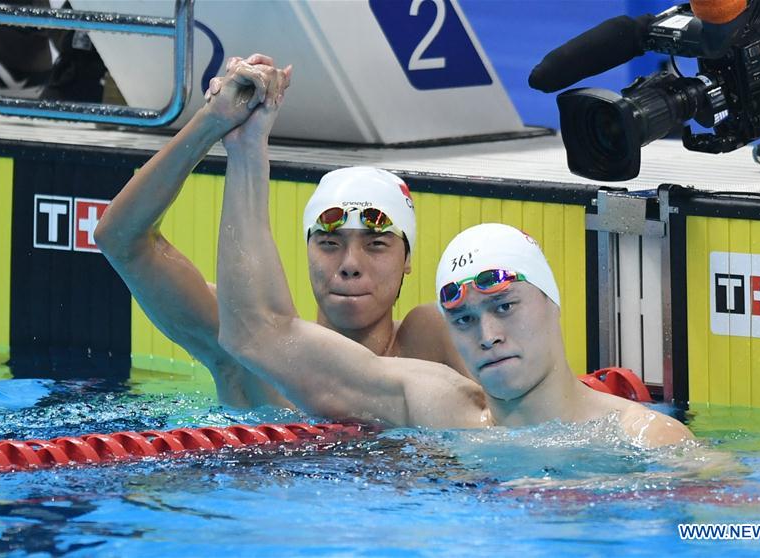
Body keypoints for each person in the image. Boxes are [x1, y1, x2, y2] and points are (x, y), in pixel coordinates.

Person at [212, 56, 693, 448]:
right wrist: (247, 153)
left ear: (551, 301)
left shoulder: (647, 439)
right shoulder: (436, 406)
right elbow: (254, 332)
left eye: (504, 306)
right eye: (462, 319)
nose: (487, 335)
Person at [93, 54, 470, 408]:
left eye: (375, 245)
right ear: (307, 249)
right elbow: (121, 239)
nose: (350, 264)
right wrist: (211, 121)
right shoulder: (252, 355)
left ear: (407, 259)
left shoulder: (429, 343)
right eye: (329, 243)